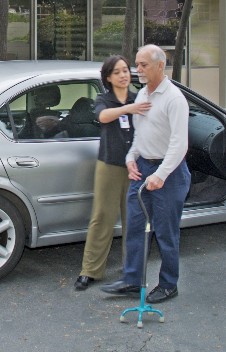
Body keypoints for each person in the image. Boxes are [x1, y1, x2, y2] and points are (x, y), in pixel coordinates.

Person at [101, 44, 191, 303]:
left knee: (165, 232)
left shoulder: (174, 99)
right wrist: (131, 158)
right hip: (143, 169)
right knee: (136, 228)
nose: (137, 70)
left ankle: (168, 284)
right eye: (137, 65)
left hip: (169, 173)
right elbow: (139, 134)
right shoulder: (142, 96)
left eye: (143, 65)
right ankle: (131, 280)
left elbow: (179, 144)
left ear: (160, 66)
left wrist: (161, 175)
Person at [74, 55, 151, 290]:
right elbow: (103, 117)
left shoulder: (140, 98)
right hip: (109, 165)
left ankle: (133, 271)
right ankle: (90, 271)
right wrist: (129, 109)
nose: (123, 75)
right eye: (117, 72)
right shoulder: (103, 99)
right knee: (102, 217)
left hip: (136, 166)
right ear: (108, 77)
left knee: (134, 219)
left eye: (126, 71)